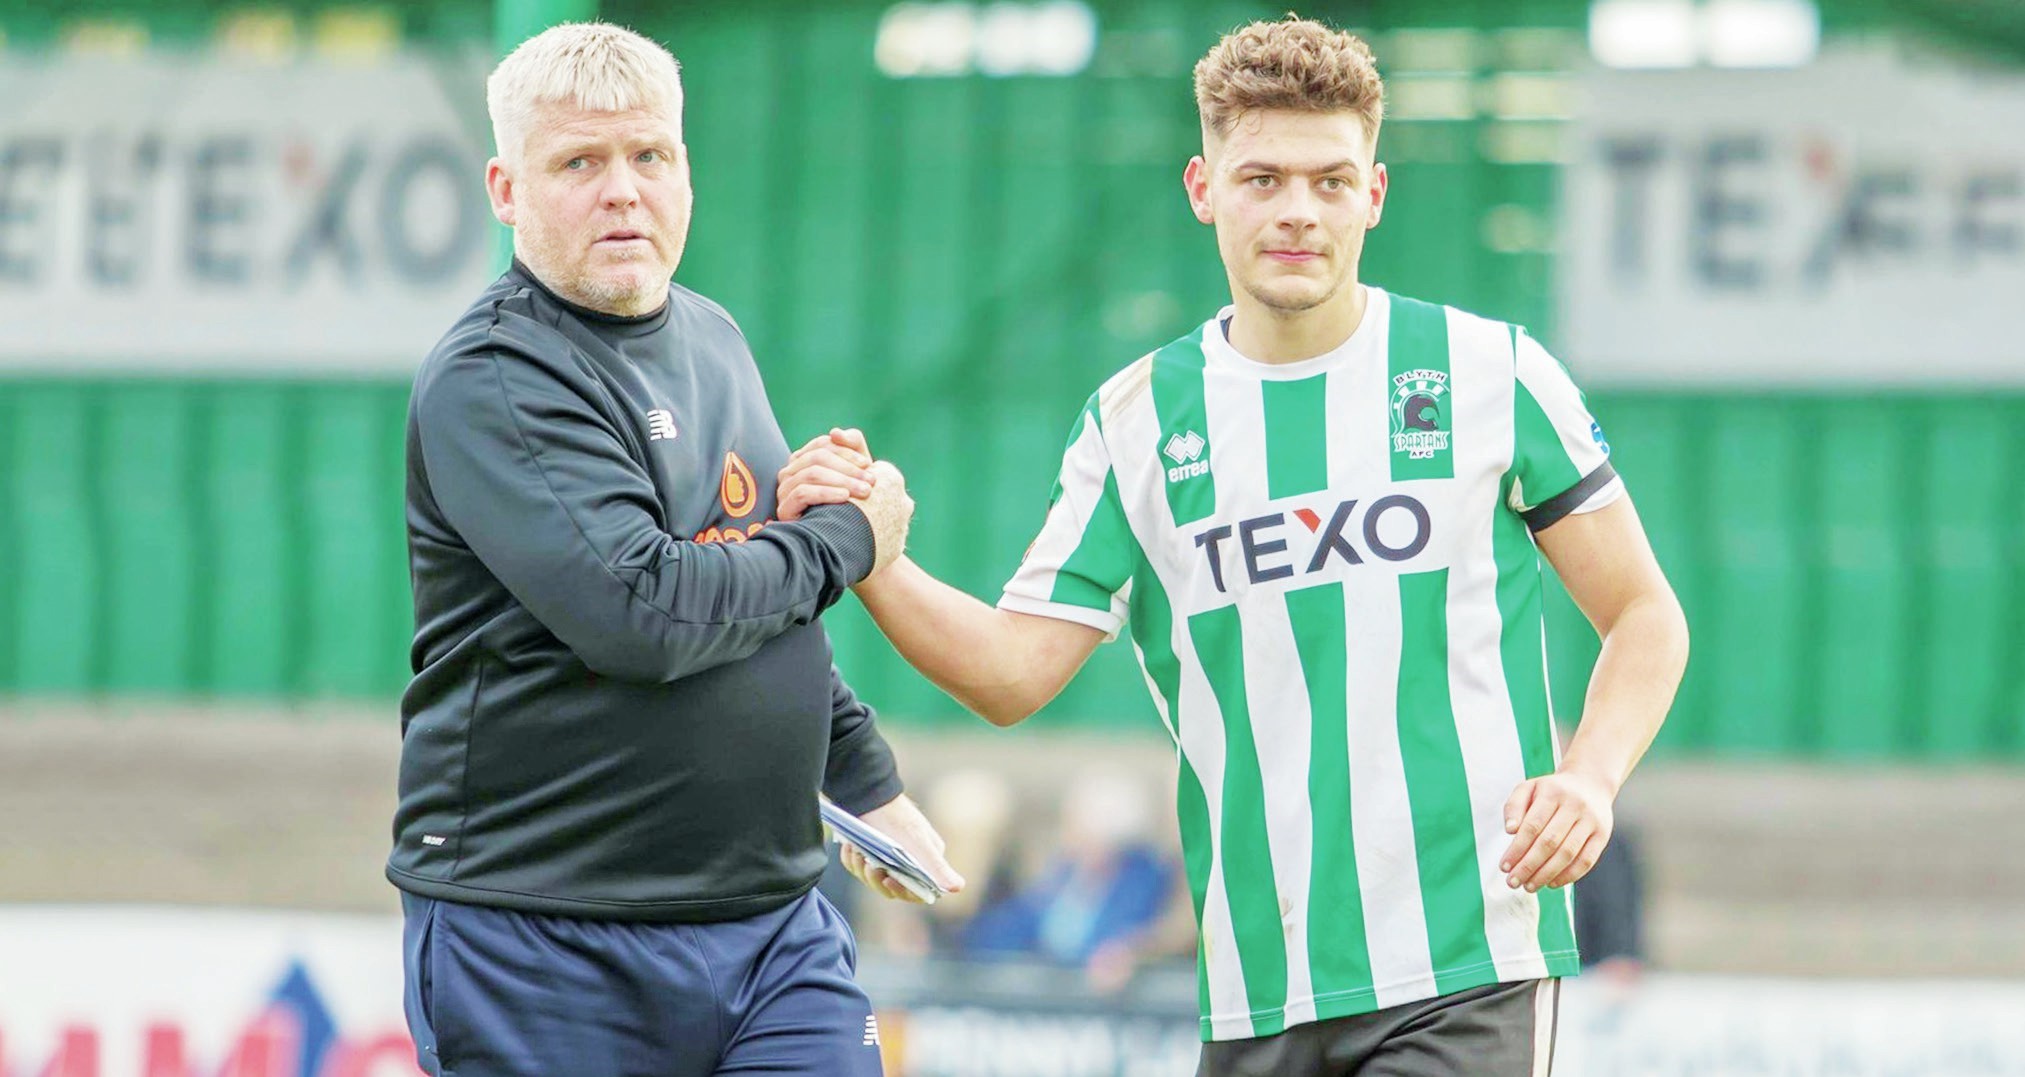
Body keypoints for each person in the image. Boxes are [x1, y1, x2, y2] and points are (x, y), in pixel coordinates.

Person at [780, 15, 1689, 1075]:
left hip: (1467, 963)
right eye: (1262, 179)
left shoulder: (1491, 373)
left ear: (1373, 195)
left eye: (1329, 181)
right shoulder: (1134, 422)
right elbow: (1010, 674)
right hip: (1254, 989)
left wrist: (1589, 779)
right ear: (1204, 188)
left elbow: (1643, 614)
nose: (1298, 209)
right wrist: (877, 555)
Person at [387, 22, 960, 1077]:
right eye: (579, 163)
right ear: (506, 190)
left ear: (686, 172)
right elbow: (645, 612)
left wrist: (864, 776)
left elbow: (755, 592)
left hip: (772, 923)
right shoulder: (495, 374)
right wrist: (848, 539)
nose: (623, 191)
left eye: (649, 155)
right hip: (544, 936)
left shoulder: (713, 337)